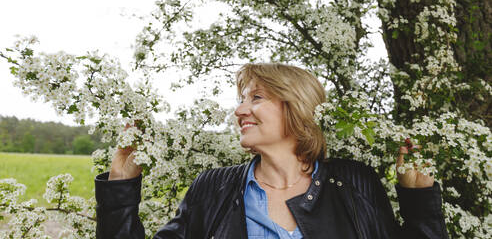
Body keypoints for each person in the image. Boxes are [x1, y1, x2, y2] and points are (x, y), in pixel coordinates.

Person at [95, 63, 449, 238]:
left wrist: (420, 205)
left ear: (296, 106)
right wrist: (120, 192)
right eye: (241, 99)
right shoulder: (212, 188)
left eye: (256, 97)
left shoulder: (354, 182)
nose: (239, 110)